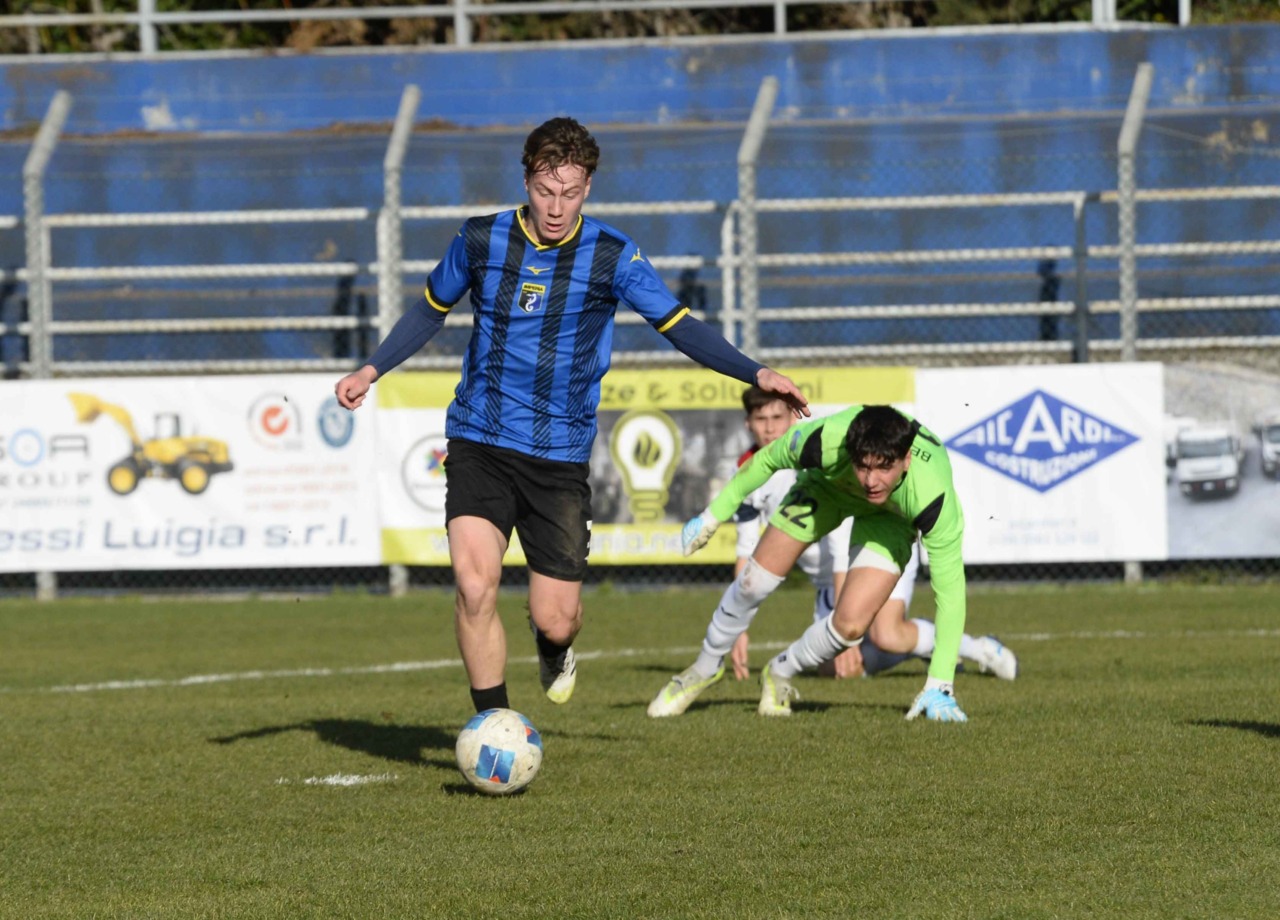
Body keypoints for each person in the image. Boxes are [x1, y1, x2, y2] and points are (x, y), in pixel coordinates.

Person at [334, 117, 809, 716]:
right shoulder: (481, 241)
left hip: (558, 457)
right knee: (474, 586)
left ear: (588, 187)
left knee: (556, 620)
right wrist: (370, 369)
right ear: (526, 179)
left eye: (572, 192)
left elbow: (678, 325)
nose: (556, 206)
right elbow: (429, 310)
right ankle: (495, 723)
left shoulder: (613, 256)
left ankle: (553, 647)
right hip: (479, 437)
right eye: (545, 190)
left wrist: (756, 373)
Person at [649, 404, 997, 723]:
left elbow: (950, 593)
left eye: (884, 468)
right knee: (755, 581)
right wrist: (712, 516)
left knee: (850, 628)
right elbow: (766, 459)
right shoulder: (827, 438)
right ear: (851, 453)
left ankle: (779, 673)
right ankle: (704, 668)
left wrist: (940, 683)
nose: (871, 480)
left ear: (905, 460)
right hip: (826, 490)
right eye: (863, 465)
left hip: (889, 518)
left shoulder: (933, 496)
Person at [711, 388, 1018, 689]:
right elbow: (747, 551)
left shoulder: (817, 455)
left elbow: (841, 543)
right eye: (760, 418)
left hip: (870, 545)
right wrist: (740, 627)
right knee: (836, 670)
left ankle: (979, 649)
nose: (769, 427)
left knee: (887, 635)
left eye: (776, 416)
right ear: (747, 423)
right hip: (826, 582)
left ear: (792, 418)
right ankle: (911, 650)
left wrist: (844, 619)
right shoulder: (748, 475)